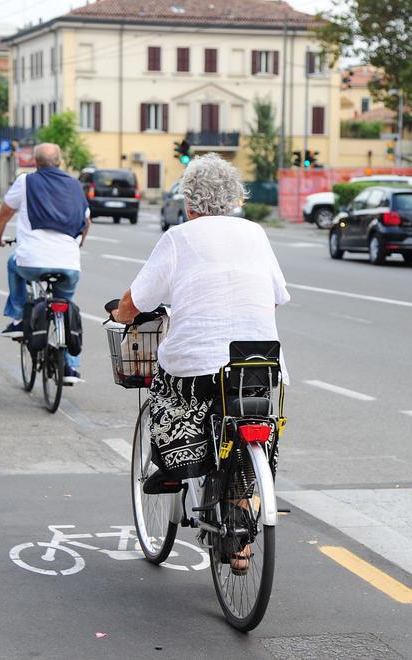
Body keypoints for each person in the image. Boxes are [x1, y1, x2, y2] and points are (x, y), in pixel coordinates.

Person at [110, 153, 289, 570]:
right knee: (249, 432)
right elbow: (279, 294)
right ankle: (242, 542)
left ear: (189, 203)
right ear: (234, 200)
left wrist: (121, 316)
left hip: (198, 365)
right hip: (258, 363)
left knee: (166, 394)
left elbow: (137, 300)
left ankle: (174, 469)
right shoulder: (256, 234)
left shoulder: (179, 238)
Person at [0, 143, 91, 384]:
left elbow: (4, 214)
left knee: (13, 263)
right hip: (69, 262)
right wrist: (77, 245)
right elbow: (87, 223)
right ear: (59, 162)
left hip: (31, 260)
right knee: (65, 303)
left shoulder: (26, 182)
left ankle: (18, 317)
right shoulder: (75, 186)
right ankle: (70, 368)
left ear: (35, 163)